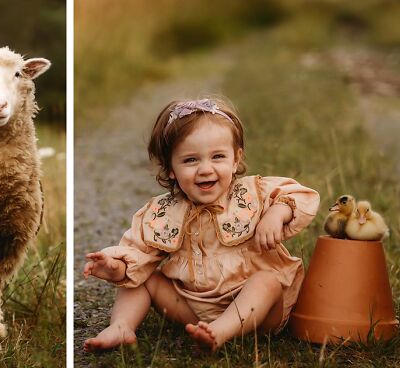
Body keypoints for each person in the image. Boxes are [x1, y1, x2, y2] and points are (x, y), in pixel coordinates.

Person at [82, 98, 320, 353]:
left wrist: (277, 212)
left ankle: (221, 332)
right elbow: (138, 255)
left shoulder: (253, 193)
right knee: (144, 278)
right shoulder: (162, 212)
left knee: (266, 282)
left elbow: (301, 196)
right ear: (170, 168)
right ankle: (121, 326)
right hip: (192, 309)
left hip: (259, 313)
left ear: (236, 159)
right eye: (190, 160)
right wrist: (116, 268)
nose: (205, 169)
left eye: (218, 156)